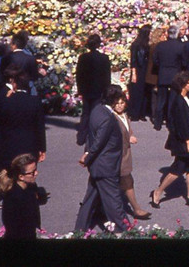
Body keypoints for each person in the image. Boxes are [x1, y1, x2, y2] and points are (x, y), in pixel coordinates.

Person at [0, 66, 46, 210]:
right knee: (27, 169)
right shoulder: (35, 101)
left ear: (14, 83)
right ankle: (29, 195)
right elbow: (39, 127)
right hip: (29, 143)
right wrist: (42, 148)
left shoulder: (4, 100)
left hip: (8, 143)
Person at [74, 85, 129, 233]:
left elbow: (90, 136)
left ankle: (80, 229)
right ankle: (124, 230)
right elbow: (99, 142)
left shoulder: (97, 110)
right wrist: (87, 157)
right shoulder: (108, 118)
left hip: (97, 166)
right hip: (106, 166)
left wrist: (87, 154)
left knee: (90, 199)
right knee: (114, 200)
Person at [151, 70, 189, 208]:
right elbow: (179, 124)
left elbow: (187, 118)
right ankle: (158, 191)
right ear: (183, 85)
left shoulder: (186, 98)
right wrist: (188, 142)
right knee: (178, 168)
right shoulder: (178, 101)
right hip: (184, 140)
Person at [111, 92, 150, 220]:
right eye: (117, 103)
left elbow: (127, 130)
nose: (119, 106)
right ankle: (136, 209)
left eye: (122, 103)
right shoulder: (112, 118)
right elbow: (114, 136)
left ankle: (96, 207)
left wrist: (131, 135)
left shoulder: (125, 116)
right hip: (119, 156)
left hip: (126, 154)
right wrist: (128, 139)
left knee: (116, 183)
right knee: (127, 181)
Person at [75, 34, 112, 147]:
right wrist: (106, 90)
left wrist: (80, 89)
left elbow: (79, 75)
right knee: (96, 114)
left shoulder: (83, 57)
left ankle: (81, 137)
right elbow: (107, 76)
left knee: (86, 113)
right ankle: (94, 137)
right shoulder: (104, 58)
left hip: (87, 89)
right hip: (99, 89)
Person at [0, 153, 44, 239]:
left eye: (36, 170)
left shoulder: (31, 187)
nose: (36, 173)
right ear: (21, 176)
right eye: (32, 172)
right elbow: (12, 227)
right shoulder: (13, 197)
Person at [151, 25, 184, 131]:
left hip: (163, 74)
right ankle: (170, 122)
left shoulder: (160, 46)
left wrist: (161, 66)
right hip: (175, 75)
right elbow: (184, 61)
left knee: (161, 100)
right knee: (172, 100)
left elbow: (155, 60)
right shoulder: (180, 46)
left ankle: (158, 122)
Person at [128, 26, 152, 122]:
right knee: (137, 92)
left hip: (145, 69)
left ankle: (142, 113)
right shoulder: (136, 45)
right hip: (138, 69)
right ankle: (134, 113)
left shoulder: (147, 44)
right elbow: (133, 59)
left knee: (144, 92)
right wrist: (134, 73)